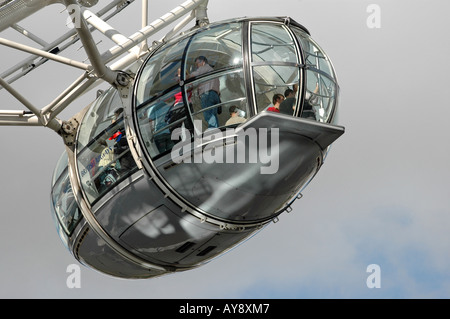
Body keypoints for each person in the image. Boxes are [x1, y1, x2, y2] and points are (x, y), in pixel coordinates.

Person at [187, 56, 221, 128]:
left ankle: (213, 132)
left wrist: (184, 77)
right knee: (213, 115)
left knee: (209, 116)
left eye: (197, 64)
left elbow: (193, 75)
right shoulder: (212, 71)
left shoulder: (204, 67)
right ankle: (216, 131)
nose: (197, 66)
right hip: (215, 95)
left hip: (207, 94)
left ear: (203, 62)